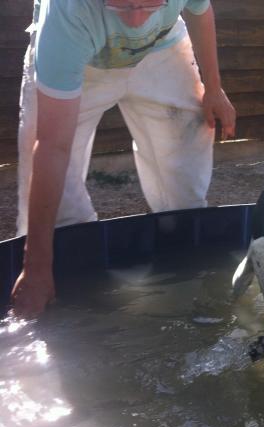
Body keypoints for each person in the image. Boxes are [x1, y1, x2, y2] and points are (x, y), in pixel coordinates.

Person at [10, 0, 236, 318]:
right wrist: (34, 268)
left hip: (162, 47)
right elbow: (52, 147)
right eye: (123, 6)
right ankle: (70, 295)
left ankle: (186, 276)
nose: (135, 20)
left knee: (184, 175)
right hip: (81, 47)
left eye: (149, 5)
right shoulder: (67, 12)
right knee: (59, 209)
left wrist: (214, 88)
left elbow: (200, 11)